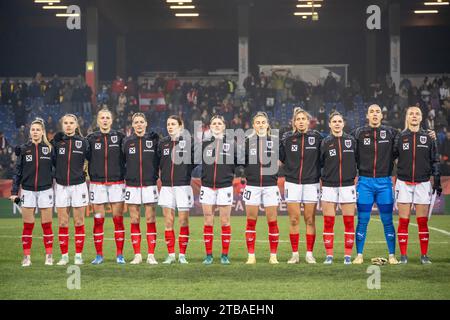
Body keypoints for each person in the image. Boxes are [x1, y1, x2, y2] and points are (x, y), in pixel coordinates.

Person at [352, 104, 436, 265]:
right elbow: (344, 142)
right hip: (365, 182)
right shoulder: (358, 133)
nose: (375, 114)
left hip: (385, 182)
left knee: (388, 220)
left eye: (378, 111)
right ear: (367, 116)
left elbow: (412, 139)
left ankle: (392, 255)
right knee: (362, 220)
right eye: (372, 112)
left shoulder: (392, 133)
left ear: (382, 116)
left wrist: (429, 134)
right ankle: (359, 255)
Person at [393, 106, 441, 264]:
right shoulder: (400, 137)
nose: (414, 116)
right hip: (403, 183)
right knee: (404, 221)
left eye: (417, 114)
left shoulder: (429, 137)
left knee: (422, 221)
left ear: (421, 118)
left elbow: (435, 160)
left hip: (423, 183)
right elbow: (392, 157)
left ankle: (424, 255)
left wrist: (437, 181)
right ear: (406, 117)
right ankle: (404, 256)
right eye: (411, 114)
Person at [279, 108, 322, 264]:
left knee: (310, 219)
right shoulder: (287, 138)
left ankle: (309, 254)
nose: (301, 121)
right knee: (294, 219)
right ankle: (295, 254)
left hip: (311, 183)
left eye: (304, 118)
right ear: (294, 122)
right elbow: (281, 159)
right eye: (298, 119)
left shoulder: (317, 137)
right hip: (292, 182)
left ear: (308, 121)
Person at [10, 118, 55, 267]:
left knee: (46, 224)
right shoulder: (23, 149)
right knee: (28, 225)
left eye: (38, 129)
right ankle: (26, 257)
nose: (35, 132)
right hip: (27, 191)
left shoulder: (49, 149)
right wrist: (14, 191)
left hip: (45, 190)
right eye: (33, 129)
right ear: (30, 132)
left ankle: (49, 255)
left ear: (42, 132)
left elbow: (56, 168)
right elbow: (18, 172)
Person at [86, 109, 126, 265]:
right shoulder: (90, 138)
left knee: (118, 220)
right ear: (97, 121)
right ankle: (99, 255)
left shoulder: (120, 137)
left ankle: (120, 255)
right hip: (97, 184)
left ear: (112, 120)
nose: (104, 120)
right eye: (102, 117)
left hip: (117, 183)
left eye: (107, 117)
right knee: (98, 220)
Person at [122, 113, 160, 265]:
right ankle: (137, 254)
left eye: (141, 122)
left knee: (150, 218)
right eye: (136, 122)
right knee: (134, 219)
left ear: (146, 123)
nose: (138, 124)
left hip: (149, 184)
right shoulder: (126, 142)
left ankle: (151, 254)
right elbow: (121, 162)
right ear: (132, 125)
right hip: (132, 185)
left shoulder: (153, 140)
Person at [52, 114, 90, 266]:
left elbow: (91, 159)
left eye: (71, 123)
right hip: (61, 185)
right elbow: (51, 161)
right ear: (62, 125)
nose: (68, 125)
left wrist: (86, 173)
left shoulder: (83, 143)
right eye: (65, 123)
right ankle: (64, 256)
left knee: (79, 221)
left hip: (78, 185)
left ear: (76, 125)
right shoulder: (57, 142)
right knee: (62, 222)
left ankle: (78, 255)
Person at [243, 112, 281, 264]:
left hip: (270, 186)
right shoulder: (247, 142)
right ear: (253, 125)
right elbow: (241, 162)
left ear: (267, 124)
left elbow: (284, 160)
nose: (260, 124)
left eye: (263, 122)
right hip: (252, 185)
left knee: (272, 221)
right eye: (257, 122)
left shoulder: (276, 142)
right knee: (251, 221)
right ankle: (251, 256)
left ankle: (273, 256)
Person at [320, 112, 357, 264]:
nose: (337, 123)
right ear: (329, 124)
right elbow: (320, 163)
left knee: (348, 222)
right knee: (329, 222)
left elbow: (358, 160)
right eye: (334, 121)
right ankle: (329, 255)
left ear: (343, 123)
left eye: (339, 121)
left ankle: (347, 256)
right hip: (329, 186)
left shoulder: (351, 141)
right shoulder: (325, 142)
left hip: (347, 185)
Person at [157, 115, 195, 264]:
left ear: (180, 125)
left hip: (183, 187)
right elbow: (157, 162)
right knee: (168, 221)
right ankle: (171, 254)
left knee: (183, 221)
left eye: (173, 124)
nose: (170, 126)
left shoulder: (188, 143)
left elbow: (195, 161)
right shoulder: (162, 143)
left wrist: (186, 173)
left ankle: (182, 255)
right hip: (166, 187)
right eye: (168, 124)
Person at [200, 115, 237, 265]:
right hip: (207, 186)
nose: (216, 125)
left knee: (224, 221)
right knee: (208, 221)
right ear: (210, 126)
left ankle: (224, 255)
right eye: (214, 123)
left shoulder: (231, 143)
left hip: (225, 186)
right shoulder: (203, 144)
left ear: (224, 126)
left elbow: (238, 162)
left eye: (219, 123)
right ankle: (208, 255)